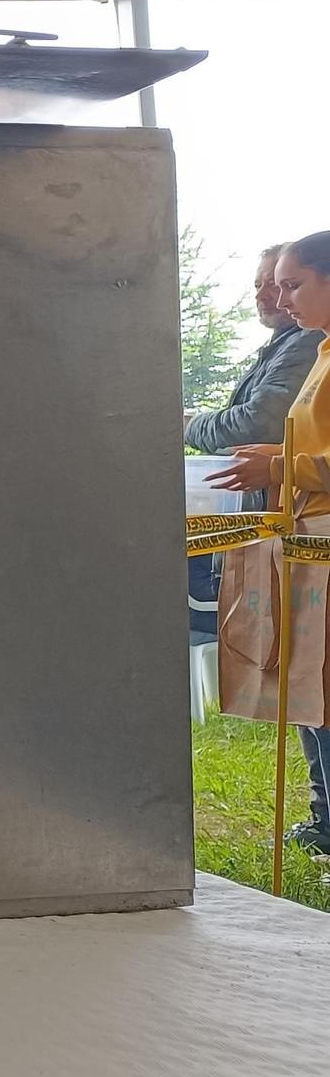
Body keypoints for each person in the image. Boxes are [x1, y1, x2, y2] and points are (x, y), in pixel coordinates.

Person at [214, 231, 330, 857]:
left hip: (323, 537)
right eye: (277, 286)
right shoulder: (320, 351)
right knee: (309, 686)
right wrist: (281, 459)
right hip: (306, 538)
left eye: (293, 284)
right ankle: (325, 821)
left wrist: (284, 467)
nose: (282, 300)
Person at [186, 244, 315, 639]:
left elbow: (258, 425)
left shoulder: (309, 345)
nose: (266, 296)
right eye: (262, 284)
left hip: (302, 525)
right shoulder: (300, 345)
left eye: (287, 285)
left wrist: (187, 426)